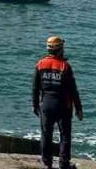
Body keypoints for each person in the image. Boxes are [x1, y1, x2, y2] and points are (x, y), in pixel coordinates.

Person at [33, 36, 83, 169]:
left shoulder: (40, 64)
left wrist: (35, 105)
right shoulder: (65, 66)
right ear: (60, 49)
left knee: (46, 135)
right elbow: (73, 90)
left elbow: (35, 88)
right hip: (63, 106)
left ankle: (46, 164)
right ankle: (64, 164)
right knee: (65, 136)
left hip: (46, 105)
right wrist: (79, 108)